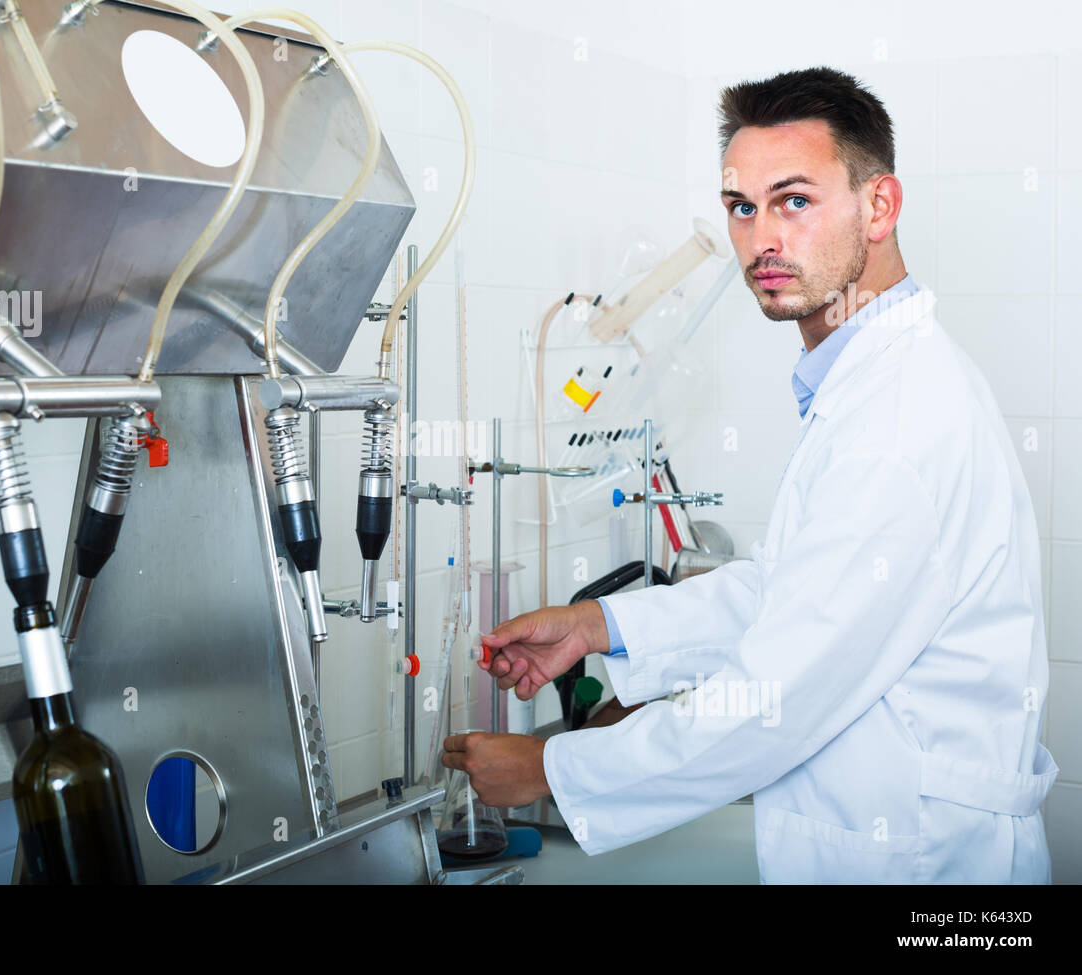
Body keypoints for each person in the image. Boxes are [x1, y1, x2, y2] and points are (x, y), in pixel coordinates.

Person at [441, 66, 1058, 884]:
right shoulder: (869, 385)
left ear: (880, 206)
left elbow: (776, 697)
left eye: (795, 200)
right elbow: (788, 595)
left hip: (925, 870)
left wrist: (553, 770)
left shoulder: (898, 421)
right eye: (743, 206)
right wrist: (599, 627)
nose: (762, 237)